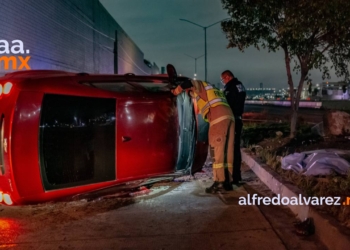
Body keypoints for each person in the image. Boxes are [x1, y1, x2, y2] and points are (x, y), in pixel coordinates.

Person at [170, 74, 235, 193]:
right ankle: (228, 182)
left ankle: (219, 182)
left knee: (217, 151)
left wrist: (176, 91)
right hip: (230, 117)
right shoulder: (212, 90)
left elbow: (189, 83)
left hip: (218, 118)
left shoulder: (200, 85)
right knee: (227, 151)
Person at [220, 70, 246, 186]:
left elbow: (227, 104)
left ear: (227, 77)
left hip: (233, 120)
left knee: (231, 148)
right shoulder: (240, 85)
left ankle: (233, 176)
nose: (222, 82)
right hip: (239, 119)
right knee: (236, 148)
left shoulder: (230, 88)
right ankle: (237, 175)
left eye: (223, 79)